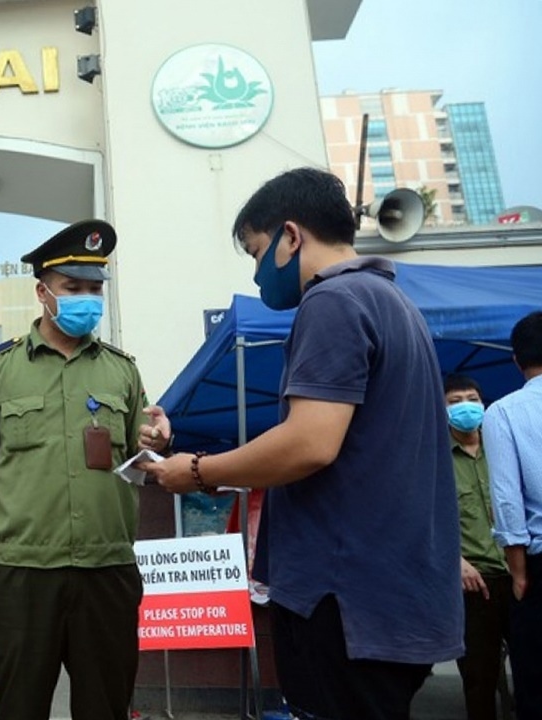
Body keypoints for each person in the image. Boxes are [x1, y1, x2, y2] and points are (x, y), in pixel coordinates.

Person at [142, 168, 463, 720]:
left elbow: (309, 443)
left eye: (257, 251)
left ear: (291, 236)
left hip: (344, 603)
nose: (258, 271)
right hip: (393, 599)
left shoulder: (333, 301)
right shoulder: (392, 303)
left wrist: (196, 471)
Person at [0, 219, 156, 720]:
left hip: (108, 571)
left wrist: (160, 440)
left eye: (94, 288)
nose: (87, 298)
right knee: (18, 707)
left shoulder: (122, 370)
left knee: (106, 708)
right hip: (24, 575)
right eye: (73, 288)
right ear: (43, 292)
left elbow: (141, 460)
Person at [484, 310, 542, 719]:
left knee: (537, 684)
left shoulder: (503, 412)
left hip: (538, 567)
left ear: (516, 361)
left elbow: (507, 500)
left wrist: (518, 573)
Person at [445, 374, 512, 720]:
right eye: (455, 402)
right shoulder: (435, 458)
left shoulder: (503, 445)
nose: (466, 407)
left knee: (532, 668)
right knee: (479, 677)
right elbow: (426, 518)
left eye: (471, 398)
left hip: (518, 574)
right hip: (475, 583)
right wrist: (455, 561)